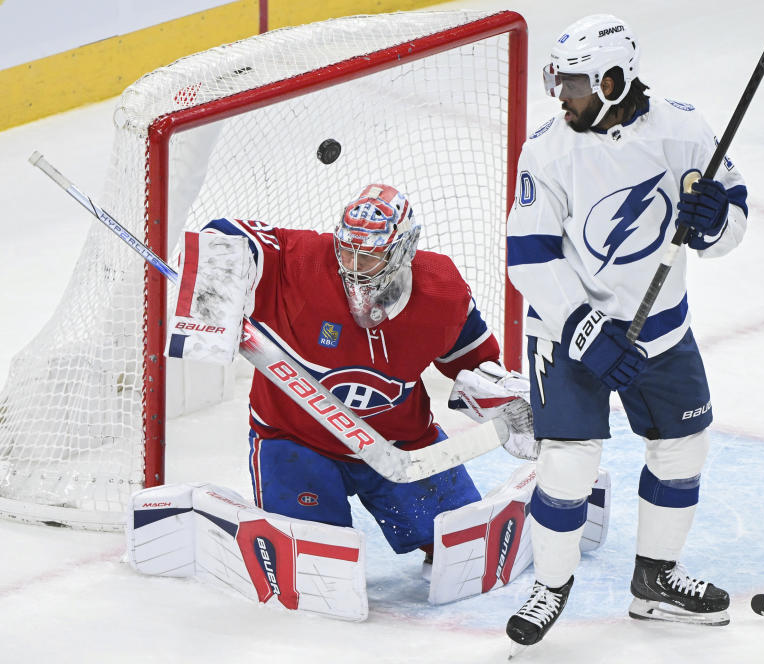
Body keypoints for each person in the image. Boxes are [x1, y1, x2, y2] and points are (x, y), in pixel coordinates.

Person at [504, 14, 749, 651]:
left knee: (683, 449)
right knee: (567, 464)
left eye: (577, 84)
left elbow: (734, 208)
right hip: (569, 334)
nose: (564, 97)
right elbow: (529, 256)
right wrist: (585, 329)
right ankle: (551, 585)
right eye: (561, 83)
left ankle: (655, 581)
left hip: (662, 331)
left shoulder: (682, 128)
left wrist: (714, 221)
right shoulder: (549, 149)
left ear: (616, 80)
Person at [168, 183, 535, 581]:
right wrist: (214, 272)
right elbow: (230, 235)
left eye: (372, 255)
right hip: (294, 441)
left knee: (468, 552)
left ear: (403, 251)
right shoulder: (301, 263)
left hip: (402, 447)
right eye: (347, 251)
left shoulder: (442, 291)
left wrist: (505, 401)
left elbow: (473, 364)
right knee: (315, 572)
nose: (355, 266)